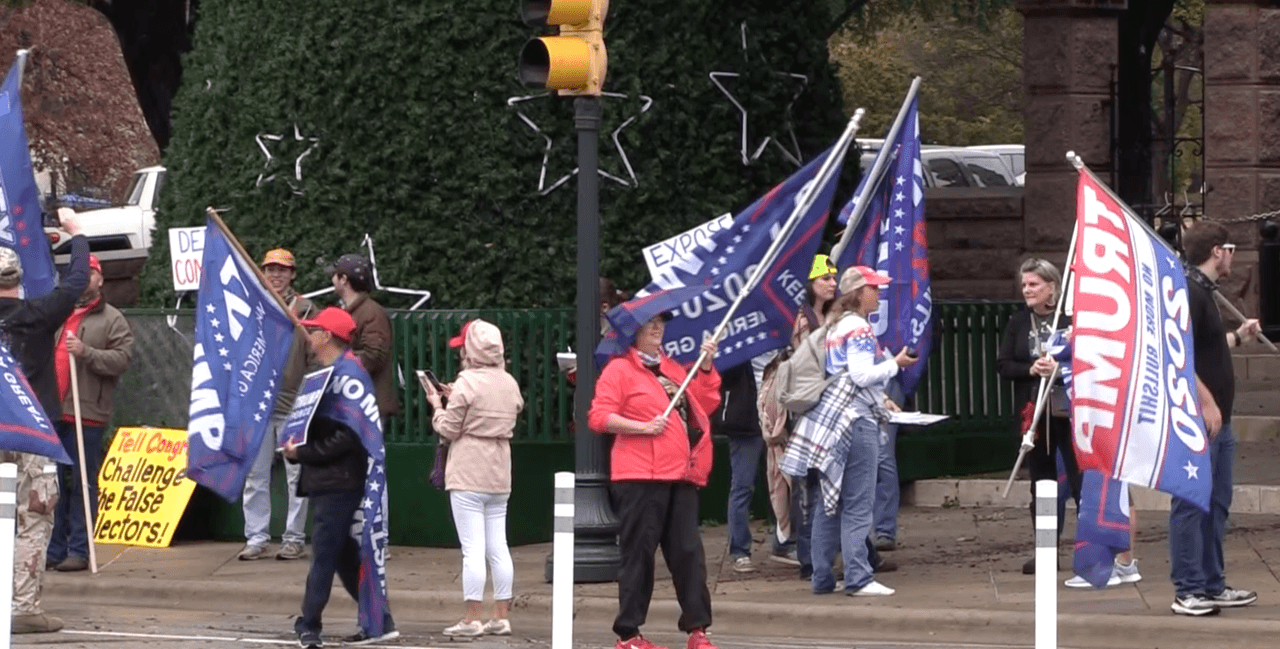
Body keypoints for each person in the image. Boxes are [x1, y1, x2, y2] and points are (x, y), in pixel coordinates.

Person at [780, 266, 915, 597]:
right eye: (875, 288)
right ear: (860, 293)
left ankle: (823, 577)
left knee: (830, 502)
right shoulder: (860, 328)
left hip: (831, 422)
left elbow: (841, 376)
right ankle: (858, 577)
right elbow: (859, 376)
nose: (880, 293)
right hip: (855, 423)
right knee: (858, 503)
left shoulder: (835, 325)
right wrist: (895, 364)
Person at [589, 313, 721, 649]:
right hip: (638, 477)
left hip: (680, 473)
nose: (657, 328)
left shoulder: (674, 367)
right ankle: (629, 634)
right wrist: (641, 428)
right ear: (634, 332)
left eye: (661, 322)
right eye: (650, 323)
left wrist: (706, 367)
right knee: (638, 555)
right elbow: (599, 417)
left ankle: (698, 630)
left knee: (689, 554)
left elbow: (704, 404)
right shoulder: (619, 370)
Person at [283, 307, 397, 647]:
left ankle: (309, 626)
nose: (309, 336)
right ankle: (381, 622)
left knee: (324, 554)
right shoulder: (334, 372)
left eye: (313, 330)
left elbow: (348, 437)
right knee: (343, 553)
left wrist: (300, 453)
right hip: (333, 479)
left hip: (338, 481)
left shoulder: (346, 376)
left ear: (327, 336)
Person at [0, 207, 88, 633]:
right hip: (32, 434)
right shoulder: (35, 316)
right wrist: (78, 234)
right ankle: (23, 608)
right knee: (33, 521)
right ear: (18, 281)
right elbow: (75, 285)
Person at [1167, 221, 1261, 616]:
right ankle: (1188, 589)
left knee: (1217, 501)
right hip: (1198, 420)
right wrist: (1206, 403)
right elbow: (1178, 353)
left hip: (1219, 420)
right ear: (1217, 251)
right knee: (1191, 503)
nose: (1232, 257)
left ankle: (1211, 583)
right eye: (1231, 249)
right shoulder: (1188, 290)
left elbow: (1205, 345)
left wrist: (1238, 337)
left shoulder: (1203, 291)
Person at [424, 319, 523, 637]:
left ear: (471, 351)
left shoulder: (467, 382)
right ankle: (501, 616)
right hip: (499, 469)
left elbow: (449, 429)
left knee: (472, 548)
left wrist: (437, 406)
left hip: (468, 469)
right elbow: (507, 405)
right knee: (499, 545)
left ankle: (471, 619)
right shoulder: (508, 382)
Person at [995, 258, 1083, 575]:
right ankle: (1046, 550)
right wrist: (1031, 368)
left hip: (1068, 411)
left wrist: (1060, 367)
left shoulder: (1070, 320)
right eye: (1024, 285)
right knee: (1041, 485)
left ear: (1052, 288)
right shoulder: (1018, 323)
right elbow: (1004, 365)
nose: (1027, 290)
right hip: (1035, 414)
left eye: (1033, 284)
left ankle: (1090, 550)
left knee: (1080, 481)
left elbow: (1088, 361)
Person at [47, 253, 134, 572]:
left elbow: (122, 360)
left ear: (100, 279)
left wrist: (86, 353)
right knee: (51, 485)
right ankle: (53, 548)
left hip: (87, 413)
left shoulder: (112, 319)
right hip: (53, 412)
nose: (83, 279)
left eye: (89, 273)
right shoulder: (58, 313)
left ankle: (79, 550)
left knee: (82, 484)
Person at [757, 254, 839, 574]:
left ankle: (826, 554)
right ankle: (808, 558)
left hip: (823, 408)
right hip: (808, 412)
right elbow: (812, 366)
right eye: (825, 279)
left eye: (833, 278)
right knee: (806, 486)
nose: (832, 283)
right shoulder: (805, 321)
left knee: (821, 484)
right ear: (811, 286)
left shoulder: (827, 317)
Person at [239, 248, 316, 561]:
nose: (276, 275)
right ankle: (256, 537)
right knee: (255, 477)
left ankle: (294, 538)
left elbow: (318, 356)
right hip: (257, 408)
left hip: (293, 406)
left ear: (293, 274)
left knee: (296, 477)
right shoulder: (250, 306)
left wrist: (307, 397)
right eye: (270, 269)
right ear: (262, 272)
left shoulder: (307, 310)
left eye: (282, 270)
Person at [327, 253, 399, 544]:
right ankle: (362, 536)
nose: (332, 279)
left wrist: (338, 362)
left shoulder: (371, 312)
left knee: (371, 472)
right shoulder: (355, 310)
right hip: (354, 404)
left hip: (367, 405)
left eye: (335, 274)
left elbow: (375, 356)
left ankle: (376, 538)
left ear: (344, 279)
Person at [714, 363, 764, 573]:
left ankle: (786, 543)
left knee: (790, 485)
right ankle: (739, 550)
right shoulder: (738, 352)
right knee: (742, 486)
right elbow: (724, 379)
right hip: (746, 424)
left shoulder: (781, 344)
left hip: (780, 416)